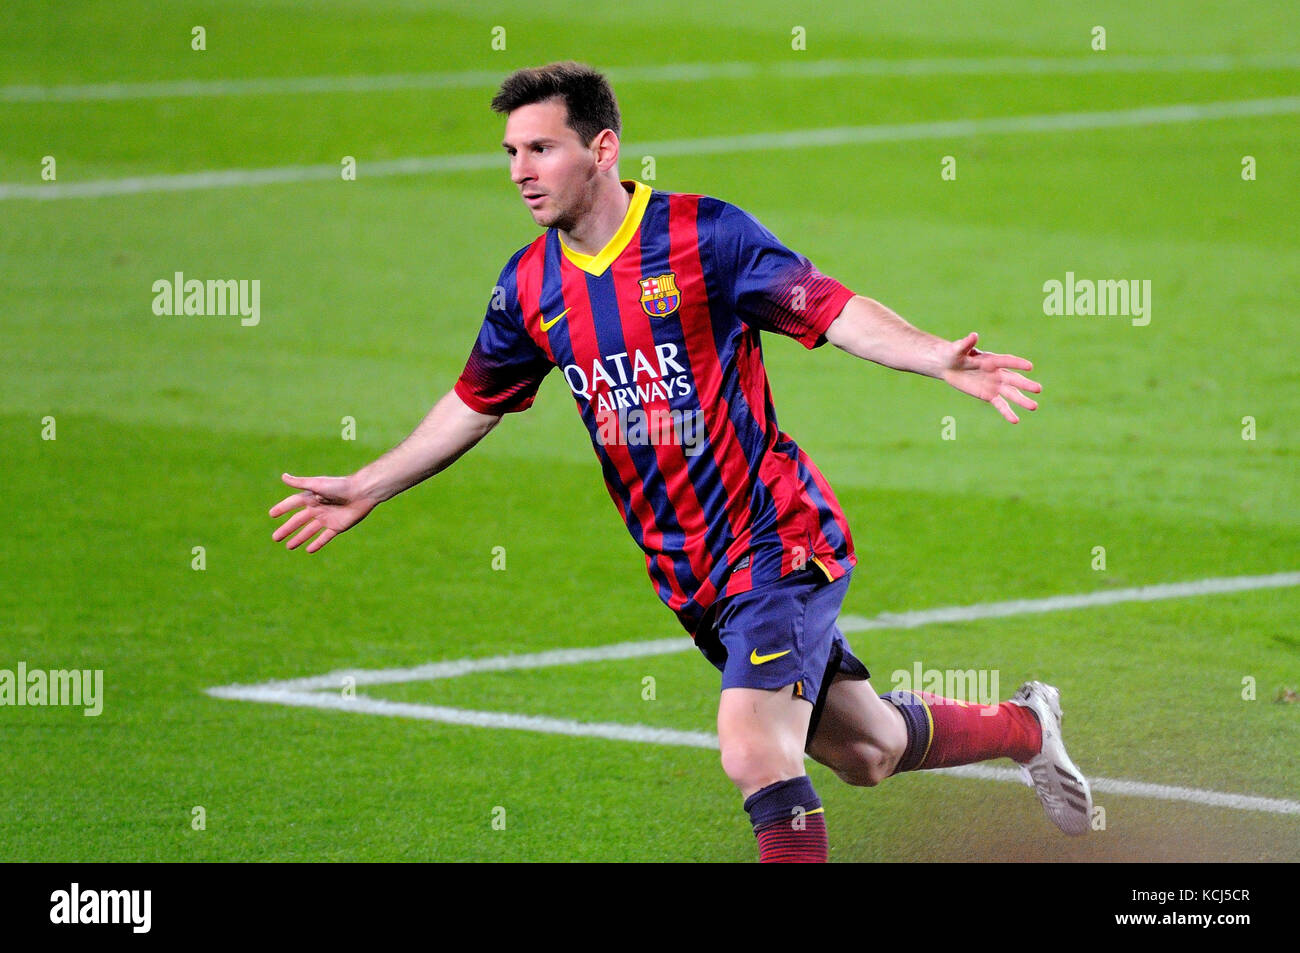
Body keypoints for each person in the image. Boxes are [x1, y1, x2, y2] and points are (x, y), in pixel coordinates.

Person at [269, 61, 1092, 862]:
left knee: (753, 752)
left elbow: (831, 308)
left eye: (542, 149)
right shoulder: (529, 286)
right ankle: (1027, 726)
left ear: (603, 149)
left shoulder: (705, 235)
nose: (521, 171)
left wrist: (934, 356)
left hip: (777, 537)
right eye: (511, 153)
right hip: (688, 572)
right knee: (867, 750)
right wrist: (367, 484)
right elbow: (475, 400)